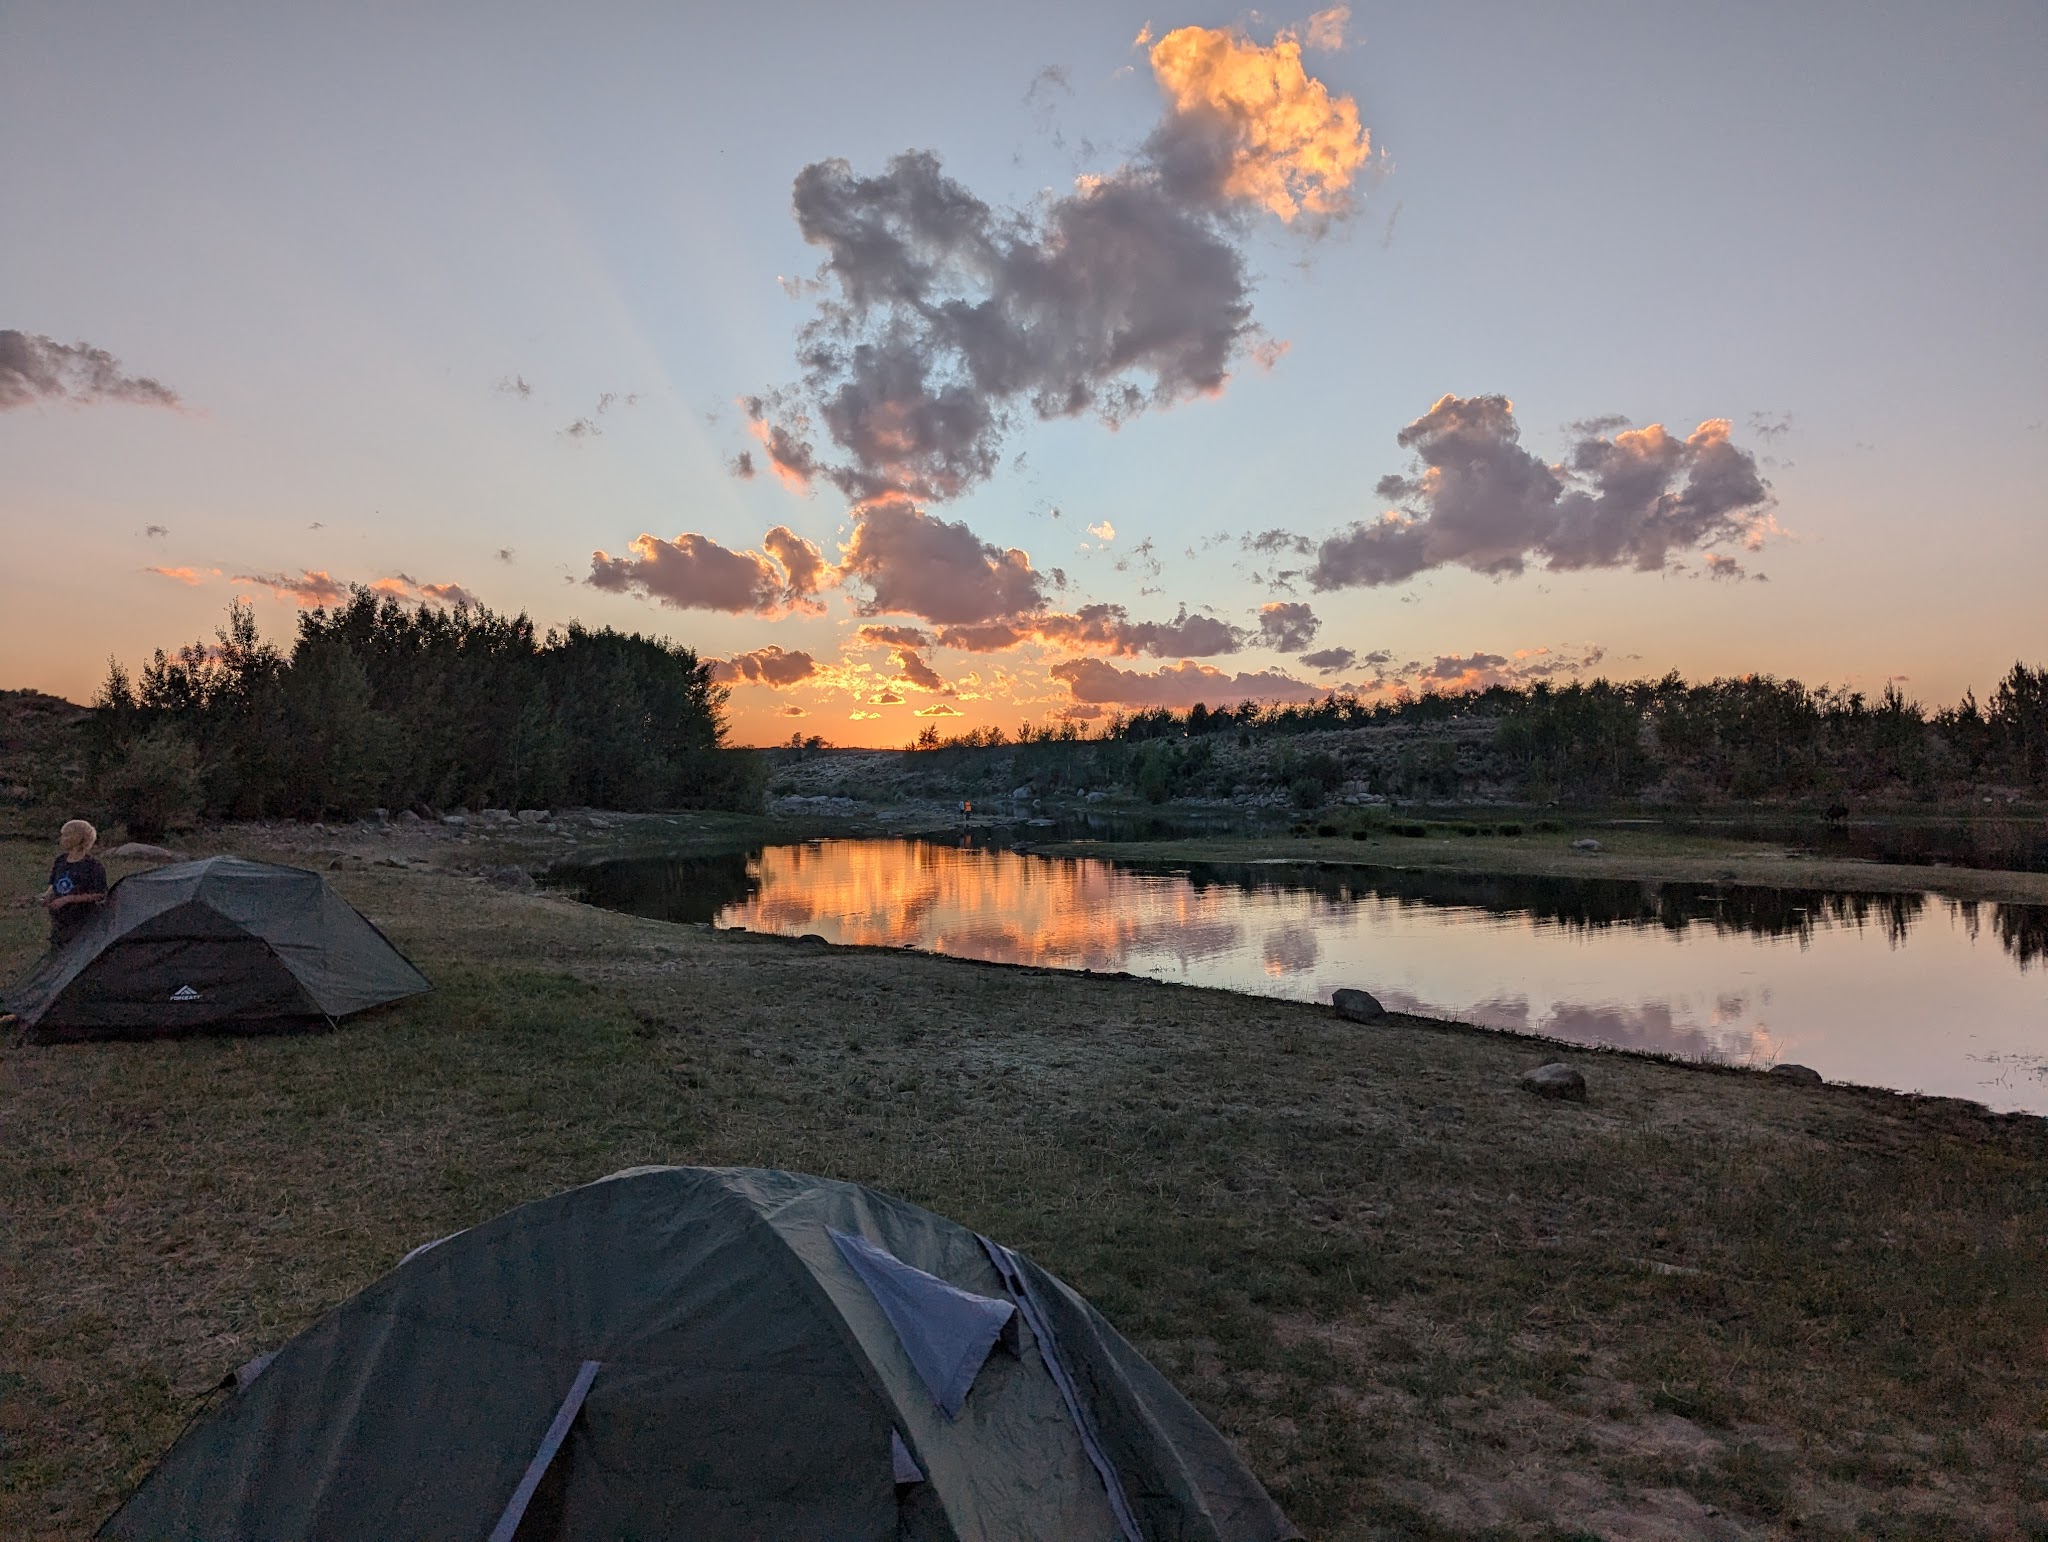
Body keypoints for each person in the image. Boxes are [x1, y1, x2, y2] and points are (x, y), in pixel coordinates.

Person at [41, 819, 109, 948]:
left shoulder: (93, 866)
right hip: (60, 919)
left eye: (65, 835)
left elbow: (100, 894)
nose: (61, 839)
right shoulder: (60, 861)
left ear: (77, 838)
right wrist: (47, 897)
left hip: (82, 920)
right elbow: (54, 885)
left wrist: (69, 899)